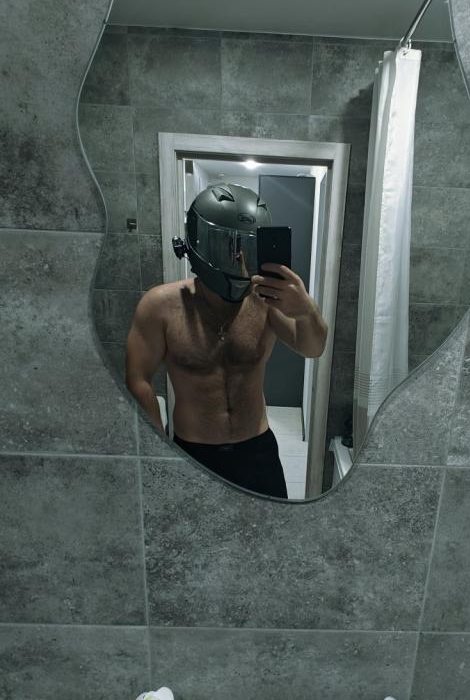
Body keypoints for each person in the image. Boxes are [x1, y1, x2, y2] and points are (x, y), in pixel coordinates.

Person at [125, 182, 327, 498]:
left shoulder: (266, 301)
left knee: (270, 530)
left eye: (247, 245)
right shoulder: (161, 306)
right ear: (197, 245)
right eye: (227, 244)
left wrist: (306, 310)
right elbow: (138, 379)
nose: (237, 256)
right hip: (193, 453)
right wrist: (158, 450)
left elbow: (313, 348)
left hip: (257, 451)